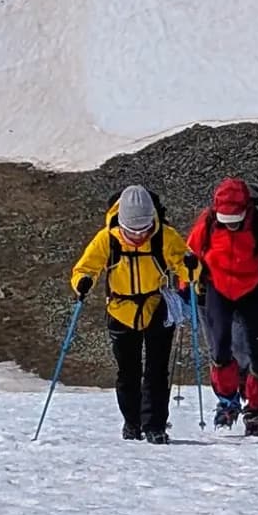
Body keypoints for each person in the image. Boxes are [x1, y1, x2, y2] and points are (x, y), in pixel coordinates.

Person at [70, 184, 196, 444]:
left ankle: (155, 426)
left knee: (157, 370)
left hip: (157, 307)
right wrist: (82, 282)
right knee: (127, 371)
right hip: (120, 309)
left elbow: (185, 266)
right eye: (131, 231)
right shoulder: (107, 239)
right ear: (121, 224)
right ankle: (132, 422)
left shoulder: (165, 236)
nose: (138, 236)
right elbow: (86, 268)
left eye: (144, 229)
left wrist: (192, 268)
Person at [188, 177, 258, 436]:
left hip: (252, 290)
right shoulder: (209, 221)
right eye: (226, 222)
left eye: (235, 222)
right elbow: (190, 252)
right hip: (218, 289)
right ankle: (227, 401)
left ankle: (256, 411)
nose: (231, 227)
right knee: (220, 348)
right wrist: (188, 276)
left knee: (257, 354)